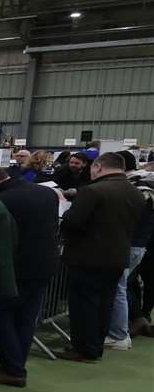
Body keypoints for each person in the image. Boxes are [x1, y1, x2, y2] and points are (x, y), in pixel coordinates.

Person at [0, 163, 60, 387]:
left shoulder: (0, 202)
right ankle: (15, 365)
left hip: (15, 268)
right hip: (44, 264)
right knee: (26, 320)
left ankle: (13, 368)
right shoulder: (46, 193)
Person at [58, 152, 146, 361]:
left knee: (84, 305)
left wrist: (64, 206)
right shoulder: (135, 192)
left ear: (97, 167)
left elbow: (73, 222)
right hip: (117, 255)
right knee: (105, 304)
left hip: (88, 257)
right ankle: (95, 345)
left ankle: (83, 348)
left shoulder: (92, 191)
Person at [106, 160, 154, 350]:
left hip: (132, 244)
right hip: (141, 244)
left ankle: (119, 334)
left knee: (119, 287)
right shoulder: (145, 191)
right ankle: (138, 319)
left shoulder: (138, 188)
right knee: (126, 285)